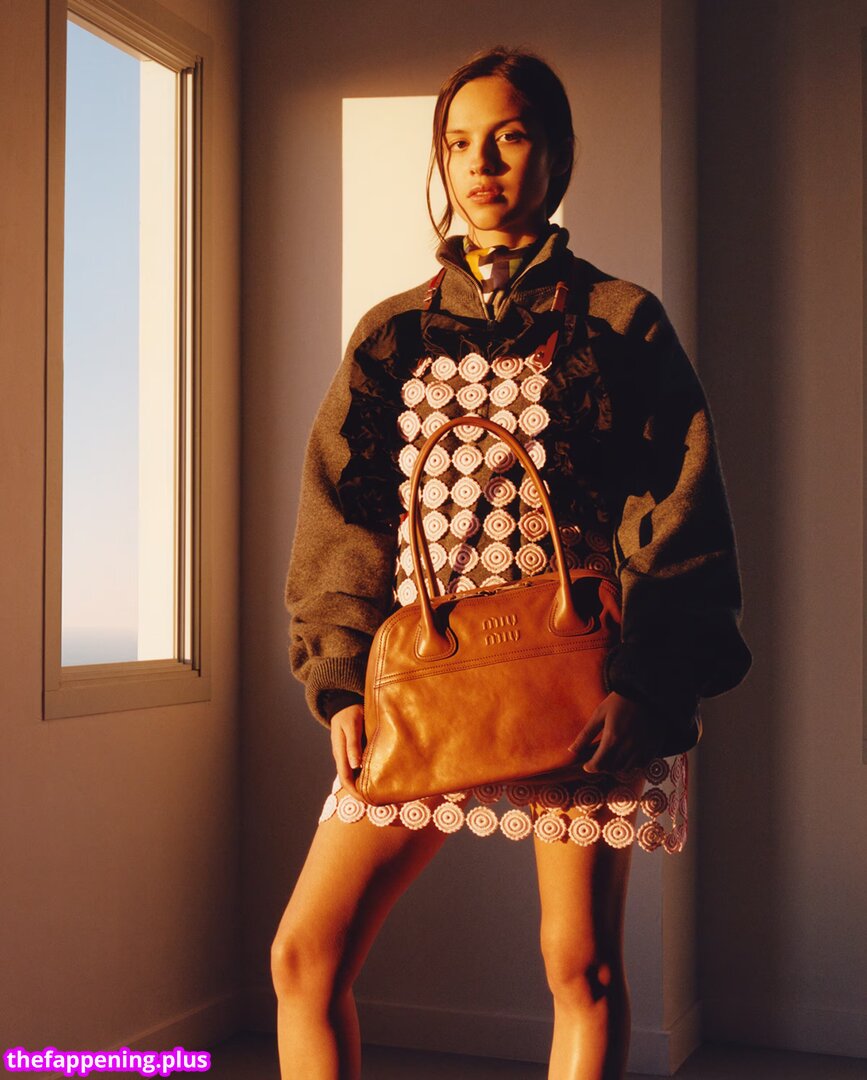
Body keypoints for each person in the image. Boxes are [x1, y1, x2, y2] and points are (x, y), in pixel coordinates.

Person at [272, 46, 752, 1080]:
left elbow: (674, 511)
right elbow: (348, 514)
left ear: (557, 154)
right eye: (458, 143)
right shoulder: (392, 334)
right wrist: (341, 678)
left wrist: (648, 686)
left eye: (510, 137)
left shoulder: (621, 320)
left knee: (580, 968)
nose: (480, 164)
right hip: (424, 685)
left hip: (575, 689)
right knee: (303, 957)